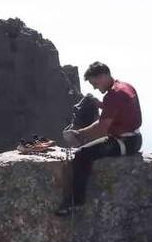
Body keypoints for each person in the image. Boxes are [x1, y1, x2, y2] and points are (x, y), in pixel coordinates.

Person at [55, 61, 143, 216]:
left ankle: (76, 202)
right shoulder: (125, 87)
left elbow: (102, 128)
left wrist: (78, 134)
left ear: (103, 76)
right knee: (86, 151)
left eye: (95, 83)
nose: (95, 88)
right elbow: (119, 110)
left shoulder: (113, 95)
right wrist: (100, 105)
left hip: (124, 142)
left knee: (81, 156)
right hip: (134, 138)